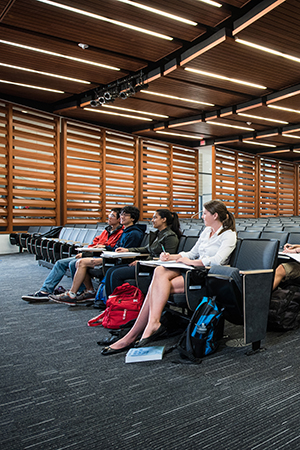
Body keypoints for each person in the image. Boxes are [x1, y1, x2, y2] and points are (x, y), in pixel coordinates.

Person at [101, 199, 237, 355]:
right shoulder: (206, 232)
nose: (202, 217)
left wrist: (191, 261)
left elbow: (218, 260)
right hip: (190, 268)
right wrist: (172, 257)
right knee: (159, 270)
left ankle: (133, 334)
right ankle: (151, 324)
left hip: (206, 274)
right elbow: (191, 253)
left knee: (155, 288)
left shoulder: (228, 235)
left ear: (215, 215)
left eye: (205, 213)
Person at [22, 208, 123, 302]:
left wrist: (88, 253)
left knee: (73, 263)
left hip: (100, 257)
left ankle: (84, 291)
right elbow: (94, 244)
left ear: (119, 219)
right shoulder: (106, 231)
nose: (109, 217)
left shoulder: (121, 233)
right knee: (60, 263)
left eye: (112, 215)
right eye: (109, 214)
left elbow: (112, 248)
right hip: (90, 254)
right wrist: (85, 253)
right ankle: (45, 291)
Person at [50, 205, 145, 304]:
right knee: (78, 263)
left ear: (133, 218)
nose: (122, 217)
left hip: (116, 260)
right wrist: (104, 247)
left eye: (125, 215)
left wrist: (109, 252)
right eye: (121, 214)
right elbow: (117, 249)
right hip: (111, 257)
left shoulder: (134, 233)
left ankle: (72, 293)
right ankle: (89, 291)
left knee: (82, 262)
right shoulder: (126, 231)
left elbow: (126, 252)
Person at [104, 209, 182, 298]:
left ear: (164, 219)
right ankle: (110, 304)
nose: (152, 220)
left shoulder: (170, 236)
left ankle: (119, 305)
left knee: (116, 274)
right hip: (147, 263)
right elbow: (147, 248)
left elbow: (167, 258)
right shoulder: (158, 234)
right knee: (110, 271)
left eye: (155, 217)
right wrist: (128, 250)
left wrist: (141, 262)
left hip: (153, 267)